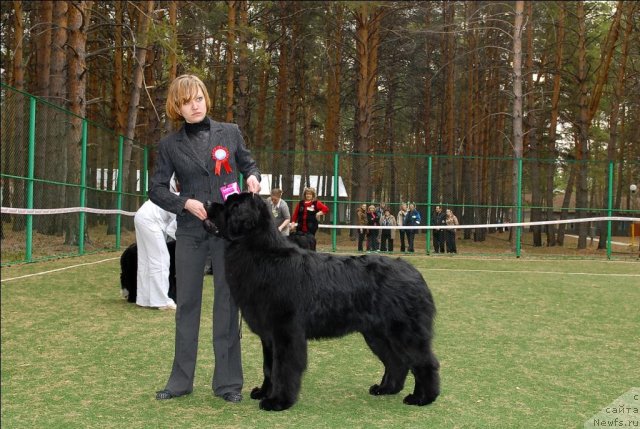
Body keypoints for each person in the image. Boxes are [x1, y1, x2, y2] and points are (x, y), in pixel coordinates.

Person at [149, 74, 261, 404]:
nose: (193, 106)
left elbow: (248, 163)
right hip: (189, 231)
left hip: (229, 232)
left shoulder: (230, 132)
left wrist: (253, 176)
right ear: (177, 108)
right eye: (186, 102)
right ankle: (181, 381)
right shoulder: (169, 146)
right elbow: (155, 189)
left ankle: (228, 384)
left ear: (205, 99)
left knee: (228, 305)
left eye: (197, 98)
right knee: (187, 307)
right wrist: (183, 202)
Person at [134, 176, 179, 310]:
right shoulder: (181, 200)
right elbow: (173, 228)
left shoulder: (177, 196)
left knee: (146, 260)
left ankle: (144, 299)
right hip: (150, 221)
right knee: (161, 260)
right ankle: (161, 300)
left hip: (141, 216)